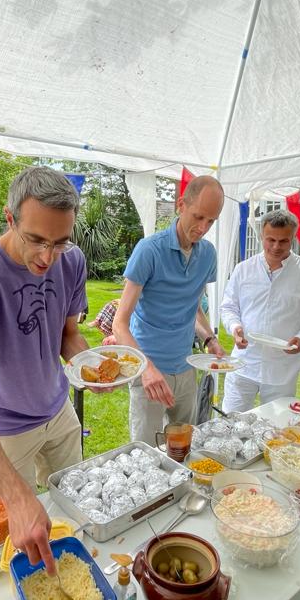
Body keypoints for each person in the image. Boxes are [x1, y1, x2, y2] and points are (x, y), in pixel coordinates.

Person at [0, 166, 90, 575]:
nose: (47, 257)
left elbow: (68, 335)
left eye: (59, 242)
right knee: (16, 545)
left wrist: (90, 366)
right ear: (10, 218)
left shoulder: (72, 261)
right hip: (4, 428)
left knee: (75, 513)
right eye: (36, 240)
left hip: (58, 409)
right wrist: (16, 496)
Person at [113, 175, 226, 445]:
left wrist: (209, 338)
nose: (203, 228)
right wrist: (146, 368)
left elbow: (193, 305)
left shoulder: (208, 254)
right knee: (146, 452)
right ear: (181, 205)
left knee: (183, 446)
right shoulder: (149, 250)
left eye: (211, 221)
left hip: (186, 366)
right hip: (149, 368)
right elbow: (119, 323)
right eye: (198, 217)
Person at [220, 209, 300, 411]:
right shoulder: (243, 269)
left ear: (293, 238)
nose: (276, 247)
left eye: (283, 241)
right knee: (231, 418)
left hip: (283, 368)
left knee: (276, 423)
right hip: (244, 363)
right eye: (270, 240)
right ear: (261, 236)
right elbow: (228, 307)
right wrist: (234, 327)